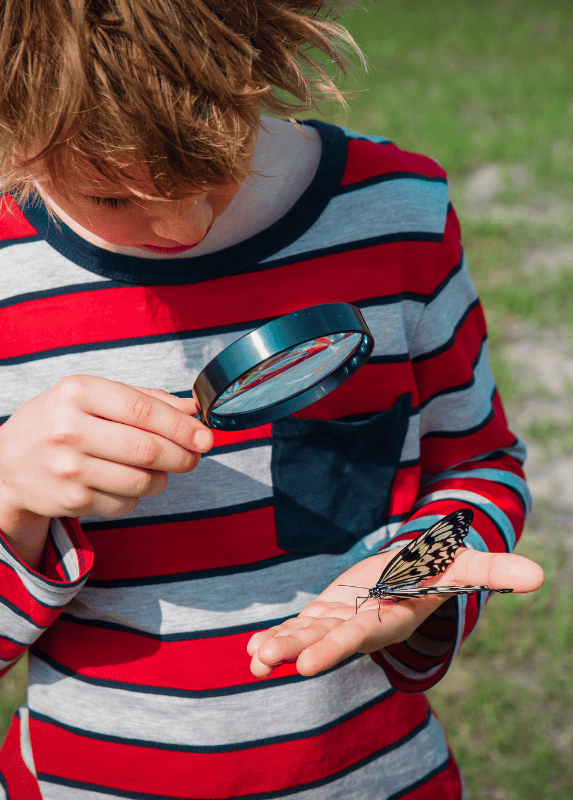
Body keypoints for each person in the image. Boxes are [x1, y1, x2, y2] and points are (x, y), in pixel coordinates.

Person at [0, 1, 544, 798]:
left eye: (216, 163)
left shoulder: (396, 214)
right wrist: (11, 497)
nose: (181, 225)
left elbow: (479, 462)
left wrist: (416, 571)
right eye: (112, 198)